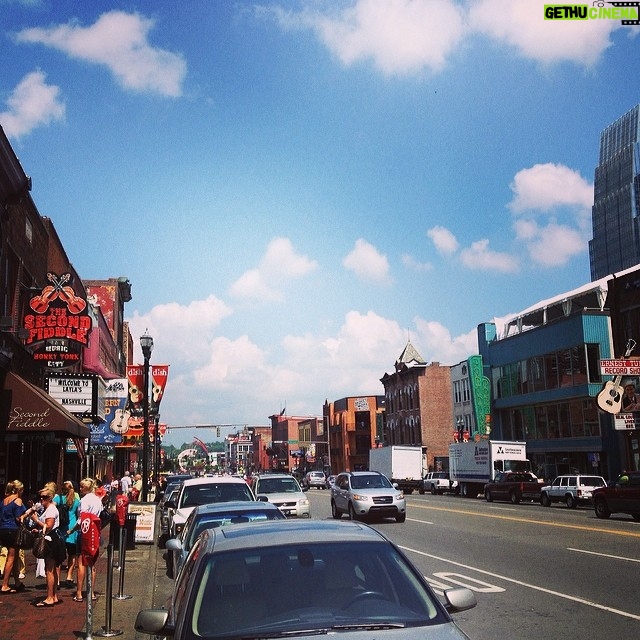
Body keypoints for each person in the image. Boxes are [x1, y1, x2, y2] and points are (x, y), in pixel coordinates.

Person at [28, 487, 63, 606]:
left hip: (51, 541)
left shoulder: (51, 510)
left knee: (49, 570)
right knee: (51, 569)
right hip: (51, 538)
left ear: (50, 498)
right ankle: (54, 596)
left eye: (44, 497)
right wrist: (37, 530)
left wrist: (36, 520)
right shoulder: (48, 509)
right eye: (40, 497)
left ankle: (49, 597)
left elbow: (48, 526)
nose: (41, 499)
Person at [72, 477, 103, 603]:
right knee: (92, 563)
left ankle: (79, 592)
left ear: (87, 488)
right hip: (95, 531)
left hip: (84, 531)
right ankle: (91, 593)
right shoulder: (97, 500)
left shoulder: (84, 500)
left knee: (81, 563)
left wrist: (72, 530)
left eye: (82, 487)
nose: (80, 489)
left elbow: (82, 518)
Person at [0, 480, 26, 593]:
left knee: (14, 557)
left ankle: (17, 582)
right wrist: (28, 513)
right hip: (12, 529)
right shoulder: (18, 500)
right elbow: (18, 518)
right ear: (19, 490)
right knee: (11, 557)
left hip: (3, 529)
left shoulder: (4, 501)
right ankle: (5, 584)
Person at [58, 480, 80, 588]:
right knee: (72, 555)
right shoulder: (76, 501)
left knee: (58, 557)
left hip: (60, 530)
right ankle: (69, 576)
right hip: (72, 530)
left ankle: (56, 580)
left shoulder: (58, 499)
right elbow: (79, 515)